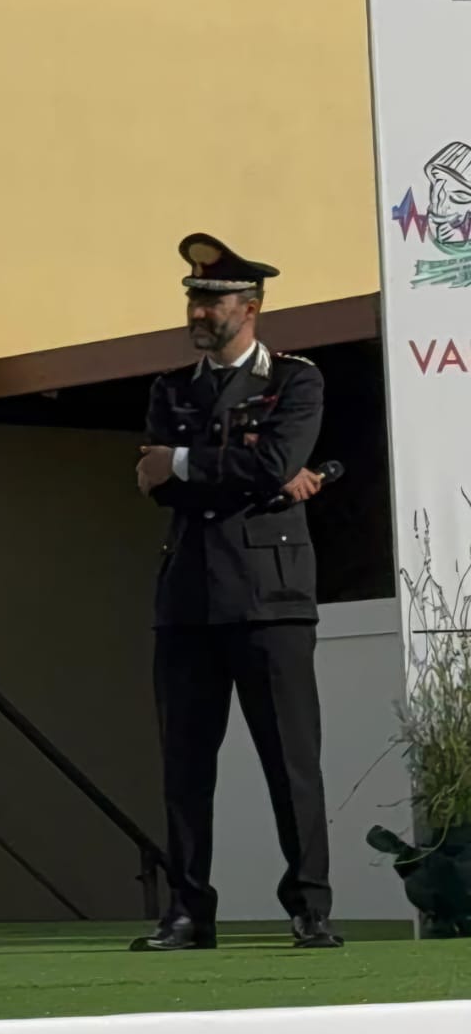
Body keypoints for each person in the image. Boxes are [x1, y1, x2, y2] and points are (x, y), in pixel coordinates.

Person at [132, 233, 341, 951]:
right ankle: (188, 911)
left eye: (213, 302)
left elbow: (274, 461)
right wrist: (240, 472)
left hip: (269, 598)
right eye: (194, 298)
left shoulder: (295, 381)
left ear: (250, 308)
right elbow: (159, 486)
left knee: (291, 761)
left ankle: (309, 906)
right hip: (188, 598)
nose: (199, 311)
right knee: (185, 768)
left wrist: (184, 461)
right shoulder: (170, 389)